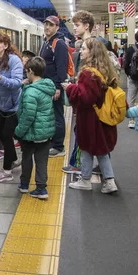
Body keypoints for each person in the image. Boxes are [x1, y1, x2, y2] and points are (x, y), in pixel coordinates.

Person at [63, 38, 118, 194]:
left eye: (84, 49)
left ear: (92, 52)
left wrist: (70, 88)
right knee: (101, 150)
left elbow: (85, 98)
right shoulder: (105, 69)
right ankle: (110, 181)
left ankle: (85, 180)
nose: (81, 51)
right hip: (103, 116)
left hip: (90, 118)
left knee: (86, 147)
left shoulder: (88, 73)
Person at [14, 57, 56, 199]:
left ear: (30, 71)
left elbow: (28, 116)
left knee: (26, 159)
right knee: (42, 161)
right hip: (45, 133)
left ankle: (24, 185)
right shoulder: (47, 87)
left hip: (31, 134)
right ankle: (41, 188)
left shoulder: (31, 92)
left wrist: (18, 131)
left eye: (27, 71)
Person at [0, 33, 24, 183]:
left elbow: (17, 83)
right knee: (1, 135)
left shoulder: (14, 61)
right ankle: (13, 159)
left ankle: (7, 171)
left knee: (7, 137)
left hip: (13, 107)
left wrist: (1, 79)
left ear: (6, 46)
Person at [62, 10, 95, 175]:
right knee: (87, 133)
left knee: (83, 132)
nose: (74, 28)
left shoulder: (92, 46)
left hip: (89, 98)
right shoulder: (85, 45)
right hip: (87, 96)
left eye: (77, 25)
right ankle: (98, 168)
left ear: (86, 26)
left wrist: (73, 87)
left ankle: (79, 165)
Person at [38, 15, 68, 157]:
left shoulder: (59, 43)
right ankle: (53, 141)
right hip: (47, 84)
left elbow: (61, 66)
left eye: (51, 25)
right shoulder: (47, 41)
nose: (47, 27)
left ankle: (59, 147)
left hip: (53, 86)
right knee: (51, 115)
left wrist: (57, 86)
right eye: (46, 24)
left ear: (57, 27)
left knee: (57, 115)